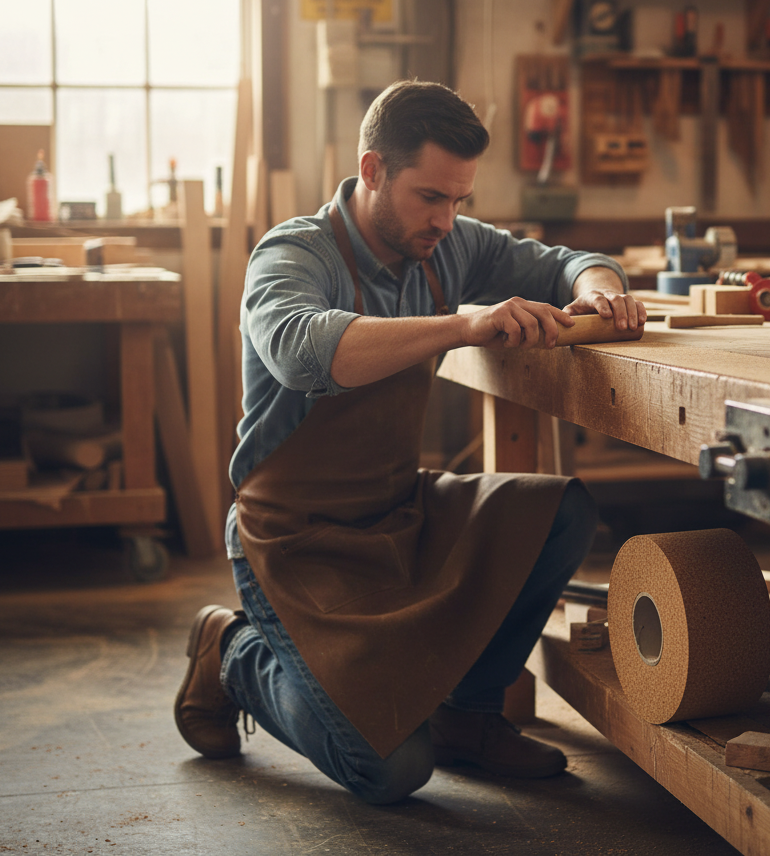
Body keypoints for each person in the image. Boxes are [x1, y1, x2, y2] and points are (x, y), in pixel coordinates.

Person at [174, 80, 646, 804]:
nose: (446, 219)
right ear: (372, 171)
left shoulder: (446, 244)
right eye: (431, 197)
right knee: (388, 770)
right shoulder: (294, 254)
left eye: (460, 200)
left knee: (560, 512)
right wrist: (463, 324)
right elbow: (304, 351)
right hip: (294, 540)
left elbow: (561, 260)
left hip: (395, 509)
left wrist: (599, 287)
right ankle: (231, 653)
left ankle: (471, 714)